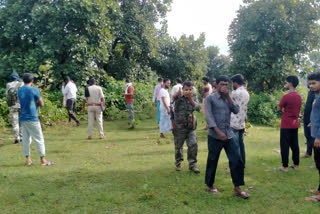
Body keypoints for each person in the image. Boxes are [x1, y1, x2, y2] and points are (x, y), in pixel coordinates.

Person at [204, 75, 249, 199]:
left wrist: (228, 96)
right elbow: (209, 117)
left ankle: (237, 188)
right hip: (215, 136)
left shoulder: (228, 98)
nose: (224, 86)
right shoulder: (210, 99)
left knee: (237, 160)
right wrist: (219, 132)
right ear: (216, 84)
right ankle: (210, 185)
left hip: (229, 134)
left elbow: (235, 110)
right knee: (212, 160)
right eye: (222, 84)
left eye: (226, 84)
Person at [18, 73, 54, 166]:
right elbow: (41, 103)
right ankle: (43, 160)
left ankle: (28, 160)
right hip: (32, 117)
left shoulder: (20, 90)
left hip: (22, 118)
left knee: (26, 139)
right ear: (32, 81)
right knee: (39, 139)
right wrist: (36, 104)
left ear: (23, 80)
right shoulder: (34, 90)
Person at [172, 81, 201, 173]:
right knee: (178, 145)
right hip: (179, 125)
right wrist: (176, 96)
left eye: (190, 89)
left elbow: (198, 108)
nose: (188, 91)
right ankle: (178, 163)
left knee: (193, 144)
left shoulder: (193, 96)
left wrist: (191, 100)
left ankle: (193, 165)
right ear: (183, 89)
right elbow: (171, 103)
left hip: (190, 125)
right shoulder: (178, 96)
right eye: (186, 89)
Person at [276, 75, 302, 172]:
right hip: (295, 124)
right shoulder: (299, 96)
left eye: (286, 82)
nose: (285, 84)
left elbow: (278, 108)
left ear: (290, 83)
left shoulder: (286, 96)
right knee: (295, 144)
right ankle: (296, 165)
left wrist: (283, 109)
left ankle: (285, 166)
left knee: (285, 145)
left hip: (286, 124)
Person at [305, 72, 320, 202]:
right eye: (309, 84)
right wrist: (312, 121)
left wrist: (319, 137)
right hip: (315, 132)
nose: (311, 86)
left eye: (314, 83)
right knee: (319, 164)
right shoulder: (317, 95)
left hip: (319, 136)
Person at [231, 74, 250, 168]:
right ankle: (242, 164)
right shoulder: (246, 92)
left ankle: (237, 166)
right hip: (241, 121)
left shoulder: (235, 93)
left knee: (235, 146)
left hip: (234, 122)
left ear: (235, 82)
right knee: (241, 145)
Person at [6, 72, 24, 144]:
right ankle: (22, 137)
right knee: (22, 122)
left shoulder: (8, 84)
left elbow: (7, 94)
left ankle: (17, 138)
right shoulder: (21, 83)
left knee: (15, 122)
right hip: (21, 105)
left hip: (13, 106)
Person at [302, 86, 315, 158]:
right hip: (307, 117)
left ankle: (316, 157)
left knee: (314, 138)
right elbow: (308, 105)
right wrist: (304, 114)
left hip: (313, 119)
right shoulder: (310, 92)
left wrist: (312, 121)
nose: (310, 84)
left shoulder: (317, 93)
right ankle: (308, 153)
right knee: (307, 136)